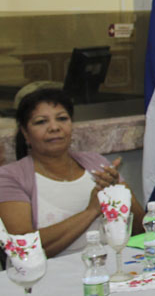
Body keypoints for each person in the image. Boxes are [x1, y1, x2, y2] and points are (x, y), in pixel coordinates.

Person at [0, 86, 144, 257]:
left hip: (114, 265)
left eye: (62, 119)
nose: (54, 127)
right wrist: (91, 211)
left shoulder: (97, 163)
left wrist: (121, 193)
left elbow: (141, 231)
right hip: (52, 277)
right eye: (41, 122)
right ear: (25, 133)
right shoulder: (11, 177)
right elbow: (23, 250)